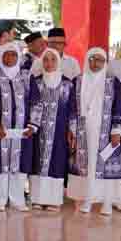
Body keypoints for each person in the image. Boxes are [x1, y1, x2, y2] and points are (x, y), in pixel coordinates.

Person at [70, 48, 121, 216]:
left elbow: (118, 106)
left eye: (100, 60)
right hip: (83, 129)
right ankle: (87, 199)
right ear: (87, 60)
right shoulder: (78, 80)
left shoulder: (112, 81)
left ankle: (107, 202)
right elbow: (72, 106)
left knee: (105, 165)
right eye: (92, 59)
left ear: (105, 62)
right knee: (87, 165)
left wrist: (116, 130)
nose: (96, 63)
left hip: (105, 130)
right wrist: (71, 128)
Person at [0, 43, 35, 212]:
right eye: (6, 54)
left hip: (22, 131)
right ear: (1, 57)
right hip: (0, 131)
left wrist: (33, 125)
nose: (9, 58)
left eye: (13, 54)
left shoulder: (27, 77)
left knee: (19, 165)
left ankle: (17, 200)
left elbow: (36, 102)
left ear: (18, 57)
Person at [27, 50, 77, 211]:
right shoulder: (35, 82)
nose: (49, 63)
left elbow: (73, 109)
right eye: (46, 60)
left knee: (57, 162)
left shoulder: (68, 84)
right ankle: (37, 198)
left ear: (58, 62)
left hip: (59, 132)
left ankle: (54, 200)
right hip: (38, 131)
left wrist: (72, 130)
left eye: (53, 60)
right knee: (37, 161)